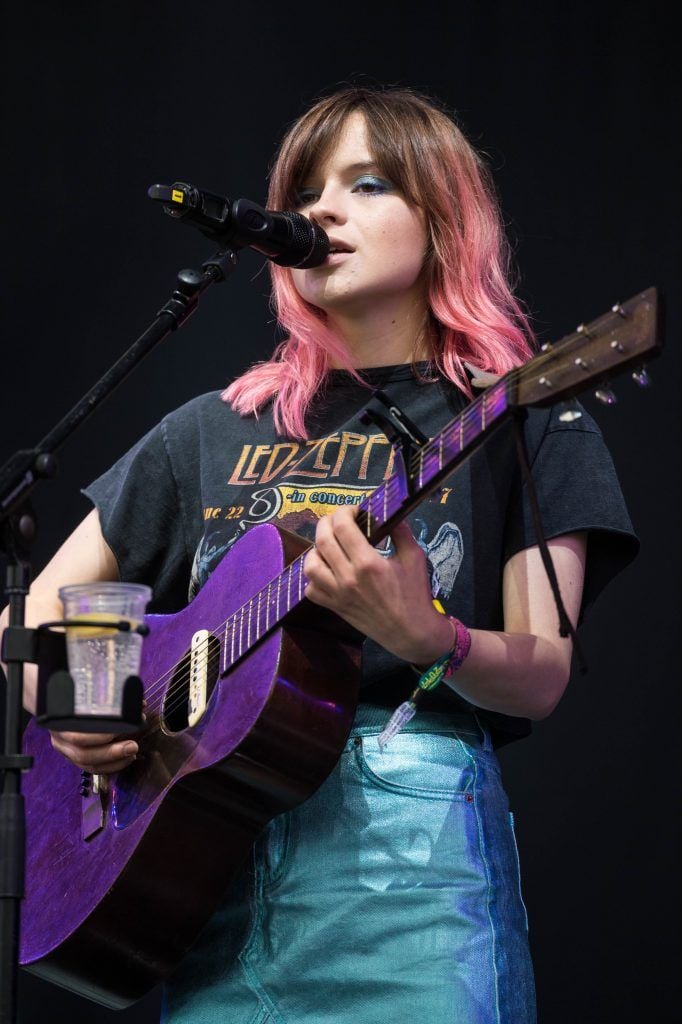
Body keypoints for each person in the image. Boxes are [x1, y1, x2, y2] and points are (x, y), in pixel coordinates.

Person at [3, 86, 637, 1023]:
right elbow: (31, 614)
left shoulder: (524, 417)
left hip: (408, 886)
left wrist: (430, 637)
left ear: (448, 219)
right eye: (305, 191)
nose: (322, 211)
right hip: (200, 879)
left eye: (369, 184)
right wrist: (87, 705)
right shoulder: (213, 430)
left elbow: (543, 674)